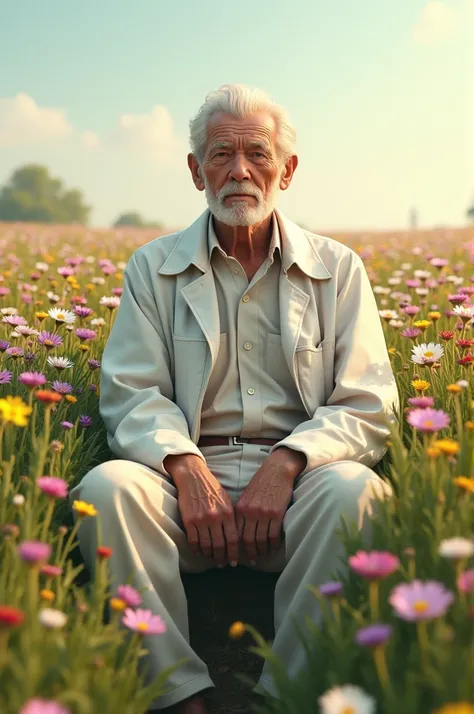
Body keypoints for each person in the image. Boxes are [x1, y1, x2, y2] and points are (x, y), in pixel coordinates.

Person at [70, 84, 399, 714]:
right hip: (185, 491)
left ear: (288, 170)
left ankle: (292, 695)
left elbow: (365, 400)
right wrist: (185, 467)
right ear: (196, 172)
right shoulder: (152, 266)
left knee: (357, 493)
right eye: (221, 154)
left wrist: (287, 463)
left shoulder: (340, 267)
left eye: (257, 153)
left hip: (299, 489)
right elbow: (131, 392)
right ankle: (175, 693)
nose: (240, 170)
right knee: (108, 490)